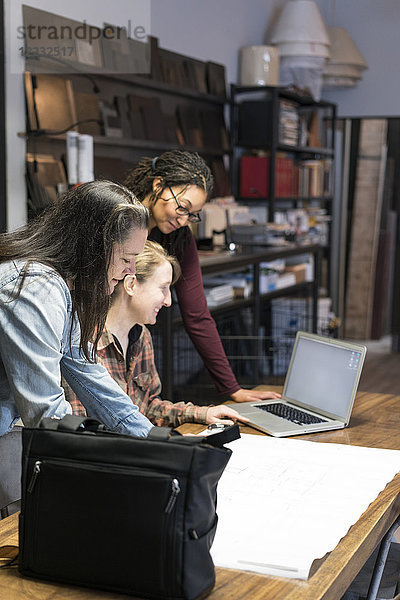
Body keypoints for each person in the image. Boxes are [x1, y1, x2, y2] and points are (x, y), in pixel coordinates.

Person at [0, 180, 154, 438]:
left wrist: (157, 443)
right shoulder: (34, 287)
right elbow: (46, 413)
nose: (132, 271)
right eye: (126, 259)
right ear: (94, 247)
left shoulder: (62, 287)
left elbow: (88, 374)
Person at [123, 150, 281, 403]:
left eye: (193, 214)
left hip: (133, 344)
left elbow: (197, 315)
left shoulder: (179, 237)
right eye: (182, 208)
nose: (184, 220)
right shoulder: (118, 221)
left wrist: (232, 389)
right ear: (158, 185)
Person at [64, 240, 248, 428]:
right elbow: (82, 430)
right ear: (131, 284)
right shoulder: (82, 345)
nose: (168, 301)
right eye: (163, 288)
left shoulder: (141, 337)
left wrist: (203, 413)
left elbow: (150, 407)